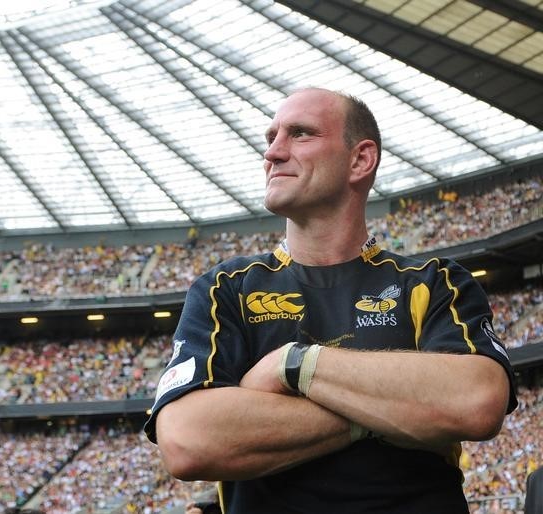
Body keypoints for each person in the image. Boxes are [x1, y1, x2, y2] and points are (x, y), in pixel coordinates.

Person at [144, 88, 517, 513]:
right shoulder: (225, 288)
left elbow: (477, 402)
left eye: (300, 134)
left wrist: (293, 364)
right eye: (271, 137)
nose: (273, 153)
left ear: (360, 159)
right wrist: (390, 412)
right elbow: (189, 441)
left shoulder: (435, 282)